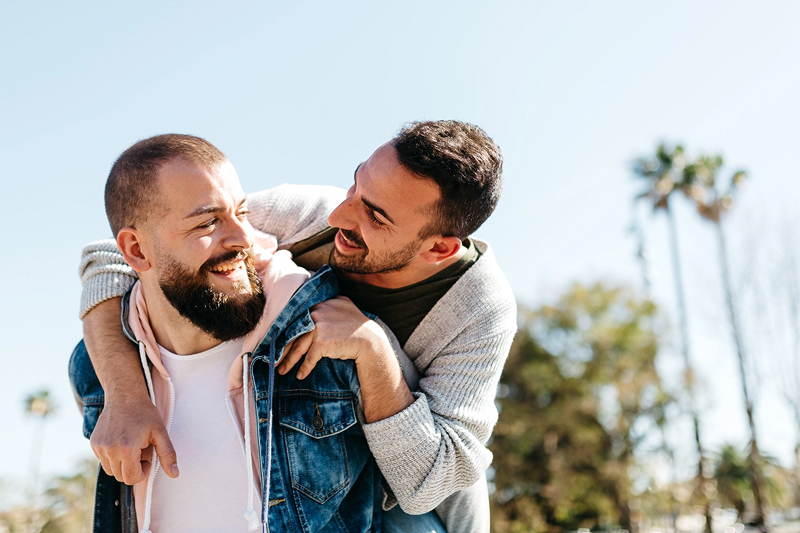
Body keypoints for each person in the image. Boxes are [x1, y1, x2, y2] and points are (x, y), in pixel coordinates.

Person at [77, 120, 517, 532]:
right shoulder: (308, 215)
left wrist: (374, 347)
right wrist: (125, 394)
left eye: (376, 217)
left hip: (420, 497)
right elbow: (120, 250)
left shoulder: (479, 308)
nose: (341, 217)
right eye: (356, 184)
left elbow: (433, 480)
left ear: (440, 249)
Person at [70, 134, 384, 533]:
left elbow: (427, 492)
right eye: (207, 222)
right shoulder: (95, 366)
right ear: (135, 250)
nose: (241, 238)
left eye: (243, 213)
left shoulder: (336, 337)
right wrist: (123, 392)